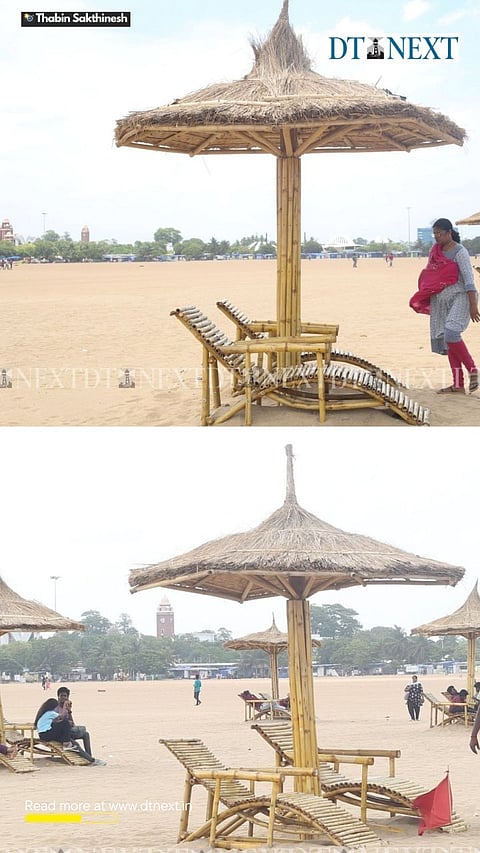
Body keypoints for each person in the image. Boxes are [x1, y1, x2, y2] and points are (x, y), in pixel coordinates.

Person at [410, 218, 480, 393]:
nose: (437, 237)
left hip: (461, 297)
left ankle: (473, 370)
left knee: (451, 332)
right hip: (441, 301)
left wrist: (473, 305)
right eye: (435, 234)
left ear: (449, 232)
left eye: (439, 234)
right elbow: (432, 274)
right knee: (447, 339)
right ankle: (458, 385)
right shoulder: (435, 251)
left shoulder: (460, 252)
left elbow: (469, 281)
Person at [34, 698, 105, 765]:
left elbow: (58, 721)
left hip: (45, 734)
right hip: (47, 734)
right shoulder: (50, 713)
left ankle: (91, 760)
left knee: (75, 743)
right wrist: (65, 706)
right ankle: (67, 743)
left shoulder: (44, 714)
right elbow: (62, 716)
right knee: (65, 722)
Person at [55, 686, 93, 756]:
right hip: (61, 734)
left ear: (68, 697)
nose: (63, 697)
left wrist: (69, 711)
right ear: (58, 697)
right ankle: (89, 758)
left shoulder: (66, 707)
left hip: (68, 731)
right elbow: (57, 721)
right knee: (76, 745)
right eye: (61, 696)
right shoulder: (55, 708)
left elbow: (72, 723)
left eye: (65, 696)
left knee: (86, 734)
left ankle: (89, 755)